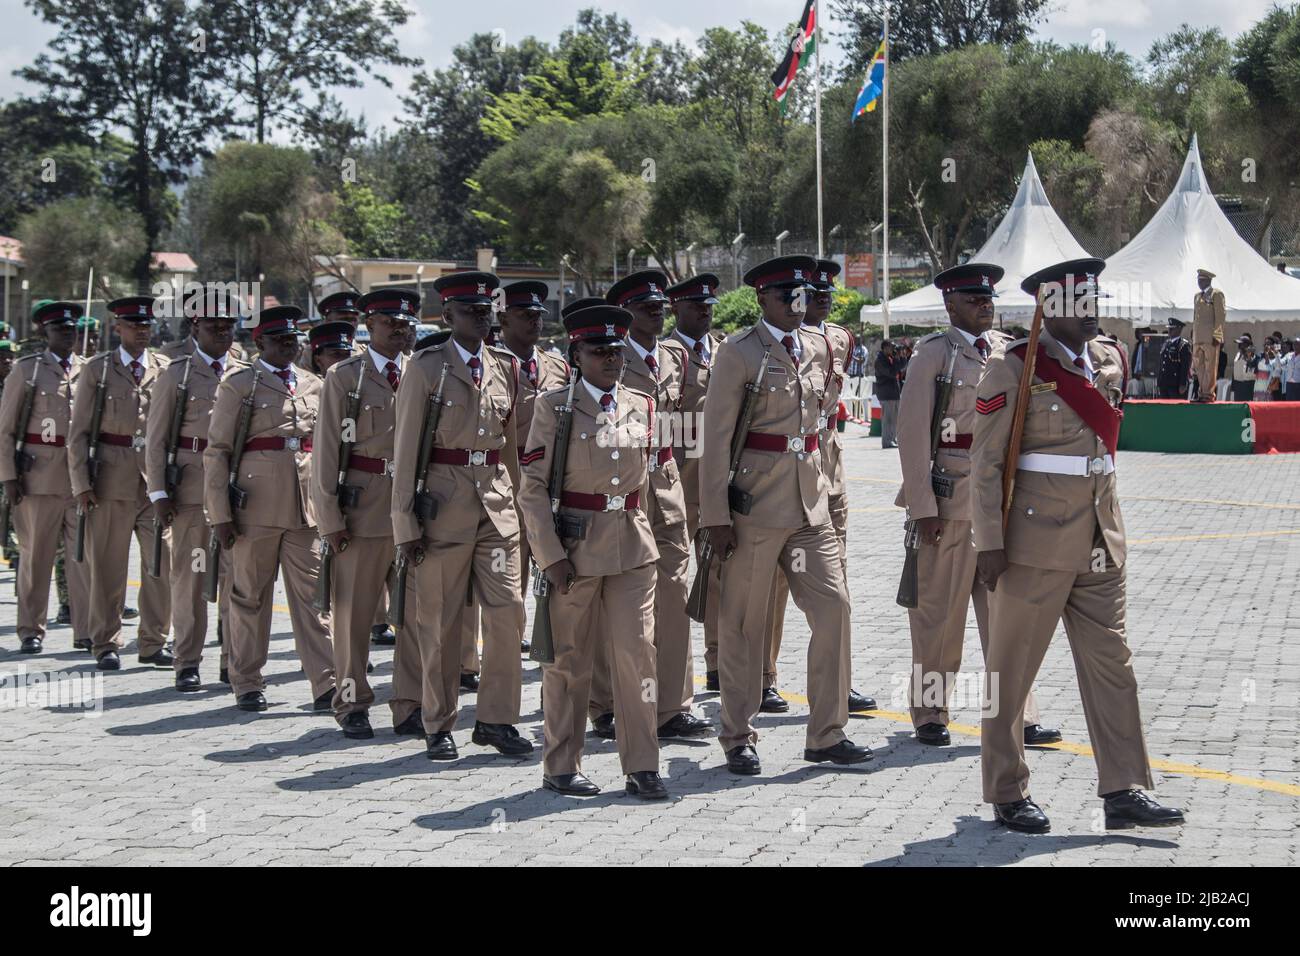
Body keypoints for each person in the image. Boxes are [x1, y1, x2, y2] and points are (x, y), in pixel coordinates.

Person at [971, 256, 1185, 833]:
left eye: (1095, 299)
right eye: (1080, 302)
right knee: (1010, 674)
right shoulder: (1012, 368)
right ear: (1051, 307)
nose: (1092, 311)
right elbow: (986, 463)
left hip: (1099, 536)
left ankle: (1124, 788)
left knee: (1113, 664)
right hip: (1032, 543)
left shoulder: (1108, 360)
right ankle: (1007, 789)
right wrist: (987, 540)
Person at [699, 254, 871, 776]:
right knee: (744, 624)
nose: (798, 305)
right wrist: (715, 515)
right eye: (787, 297)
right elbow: (715, 438)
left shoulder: (819, 345)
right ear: (763, 300)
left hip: (809, 503)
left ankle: (825, 734)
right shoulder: (739, 352)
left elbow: (820, 425)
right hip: (753, 504)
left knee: (834, 609)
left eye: (802, 296)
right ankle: (736, 734)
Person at [894, 264, 1060, 747]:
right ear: (951, 305)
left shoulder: (1010, 352)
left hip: (1001, 507)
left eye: (987, 299)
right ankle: (930, 712)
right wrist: (922, 506)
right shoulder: (933, 356)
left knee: (1008, 620)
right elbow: (910, 433)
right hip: (950, 504)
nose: (984, 305)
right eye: (973, 299)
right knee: (938, 618)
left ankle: (1017, 716)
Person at [517, 303, 667, 799]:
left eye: (617, 350)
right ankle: (561, 765)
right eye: (599, 350)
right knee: (567, 660)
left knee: (637, 657)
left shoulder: (643, 403)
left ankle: (642, 765)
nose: (611, 359)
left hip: (632, 544)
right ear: (576, 353)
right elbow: (532, 488)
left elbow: (653, 477)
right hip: (575, 548)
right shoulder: (554, 407)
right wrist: (550, 556)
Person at [391, 271, 531, 760]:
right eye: (469, 310)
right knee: (442, 622)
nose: (481, 317)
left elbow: (511, 449)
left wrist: (523, 508)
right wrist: (405, 523)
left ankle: (496, 719)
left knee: (508, 615)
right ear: (447, 316)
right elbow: (407, 449)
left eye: (485, 309)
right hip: (443, 508)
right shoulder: (427, 367)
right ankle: (438, 721)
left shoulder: (506, 367)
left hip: (496, 508)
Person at [587, 270, 711, 741]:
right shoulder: (607, 361)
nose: (658, 312)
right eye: (646, 307)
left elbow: (681, 428)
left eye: (661, 305)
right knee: (612, 603)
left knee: (674, 597)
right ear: (625, 315)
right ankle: (604, 702)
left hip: (667, 488)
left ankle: (674, 705)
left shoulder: (675, 358)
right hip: (621, 496)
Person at [203, 305, 336, 712]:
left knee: (315, 601)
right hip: (255, 509)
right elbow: (218, 452)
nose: (289, 346)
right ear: (259, 343)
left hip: (305, 510)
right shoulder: (240, 383)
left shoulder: (314, 384)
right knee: (249, 598)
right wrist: (220, 515)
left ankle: (326, 682)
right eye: (279, 340)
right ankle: (246, 681)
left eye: (294, 339)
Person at [761, 259, 876, 716]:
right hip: (783, 473)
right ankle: (764, 677)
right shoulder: (773, 344)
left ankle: (838, 683)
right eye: (813, 291)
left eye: (828, 292)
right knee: (773, 583)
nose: (822, 298)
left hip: (828, 463)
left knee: (836, 581)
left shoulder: (840, 339)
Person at [312, 292, 416, 739]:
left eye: (405, 321)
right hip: (363, 507)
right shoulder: (345, 377)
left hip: (415, 508)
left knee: (415, 614)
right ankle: (351, 701)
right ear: (368, 325)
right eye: (390, 321)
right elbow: (327, 450)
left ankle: (409, 703)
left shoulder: (423, 371)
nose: (399, 328)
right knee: (353, 616)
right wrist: (329, 518)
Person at [68, 296, 173, 670]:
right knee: (108, 566)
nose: (142, 331)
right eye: (134, 325)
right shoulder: (98, 370)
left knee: (160, 562)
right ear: (118, 328)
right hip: (110, 477)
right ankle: (106, 640)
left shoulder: (164, 368)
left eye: (146, 326)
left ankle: (153, 640)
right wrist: (81, 483)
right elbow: (78, 432)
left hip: (154, 480)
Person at [145, 301, 242, 691]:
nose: (223, 332)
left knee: (237, 579)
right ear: (195, 329)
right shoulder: (177, 375)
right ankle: (187, 660)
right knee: (193, 577)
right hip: (191, 490)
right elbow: (156, 439)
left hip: (238, 489)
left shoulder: (246, 372)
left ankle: (233, 660)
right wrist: (158, 492)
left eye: (228, 325)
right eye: (214, 325)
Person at [0, 301, 90, 654]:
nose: (68, 336)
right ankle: (30, 628)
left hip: (80, 476)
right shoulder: (28, 371)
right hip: (37, 475)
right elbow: (6, 429)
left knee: (81, 556)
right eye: (60, 330)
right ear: (44, 333)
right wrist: (8, 475)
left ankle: (85, 629)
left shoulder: (88, 370)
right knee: (35, 555)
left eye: (71, 330)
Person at [664, 273, 724, 689]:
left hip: (719, 486)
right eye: (695, 306)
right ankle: (674, 679)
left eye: (708, 306)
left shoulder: (726, 351)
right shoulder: (664, 355)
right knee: (676, 586)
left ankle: (720, 667)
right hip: (676, 488)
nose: (704, 312)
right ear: (676, 310)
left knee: (722, 578)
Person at [1190, 268, 1225, 402]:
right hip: (1198, 338)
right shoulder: (1197, 296)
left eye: (1202, 280)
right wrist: (1194, 336)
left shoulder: (1216, 294)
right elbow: (1195, 318)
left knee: (1210, 366)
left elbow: (1220, 316)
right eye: (1198, 280)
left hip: (1210, 338)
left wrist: (1217, 335)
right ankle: (1201, 393)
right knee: (1199, 367)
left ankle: (1209, 394)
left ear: (1209, 280)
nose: (1199, 282)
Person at [874, 340, 902, 447]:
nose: (893, 350)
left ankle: (893, 439)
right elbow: (892, 373)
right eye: (891, 347)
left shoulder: (890, 358)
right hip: (886, 393)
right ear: (885, 348)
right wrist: (895, 360)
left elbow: (901, 367)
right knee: (888, 419)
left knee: (895, 418)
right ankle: (886, 441)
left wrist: (901, 357)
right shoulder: (880, 361)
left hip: (894, 392)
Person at [1155, 318, 1192, 398]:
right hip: (1164, 383)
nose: (1169, 330)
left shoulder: (1183, 345)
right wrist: (1159, 381)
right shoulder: (1166, 343)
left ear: (1179, 329)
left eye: (1172, 329)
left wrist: (1183, 384)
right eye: (1169, 328)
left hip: (1175, 384)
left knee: (1175, 409)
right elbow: (1162, 364)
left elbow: (1185, 366)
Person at [1230, 336, 1256, 402]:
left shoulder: (1252, 355)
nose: (1239, 346)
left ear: (1246, 345)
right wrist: (1233, 386)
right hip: (1237, 385)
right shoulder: (1238, 354)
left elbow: (1251, 369)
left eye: (1241, 344)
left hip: (1247, 386)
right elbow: (1235, 369)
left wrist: (1248, 356)